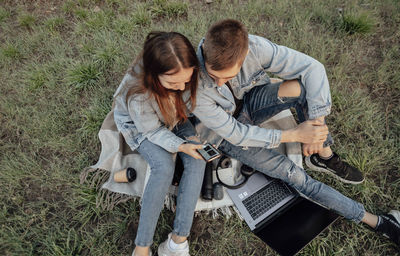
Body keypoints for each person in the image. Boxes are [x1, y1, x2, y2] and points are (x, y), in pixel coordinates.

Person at [192, 19, 400, 248]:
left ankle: (322, 154)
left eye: (229, 75)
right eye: (215, 75)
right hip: (228, 134)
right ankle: (378, 222)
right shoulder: (195, 82)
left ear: (244, 54)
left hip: (250, 103)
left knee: (303, 88)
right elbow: (237, 134)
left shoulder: (256, 47)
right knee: (295, 175)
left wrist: (317, 123)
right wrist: (294, 135)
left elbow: (313, 68)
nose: (220, 82)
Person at [113, 32, 206, 256]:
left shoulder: (185, 74)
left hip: (177, 117)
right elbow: (153, 131)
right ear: (155, 75)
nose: (182, 85)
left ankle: (177, 241)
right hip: (143, 127)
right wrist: (180, 145)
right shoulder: (139, 95)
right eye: (173, 82)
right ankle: (142, 246)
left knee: (198, 159)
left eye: (187, 79)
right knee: (164, 167)